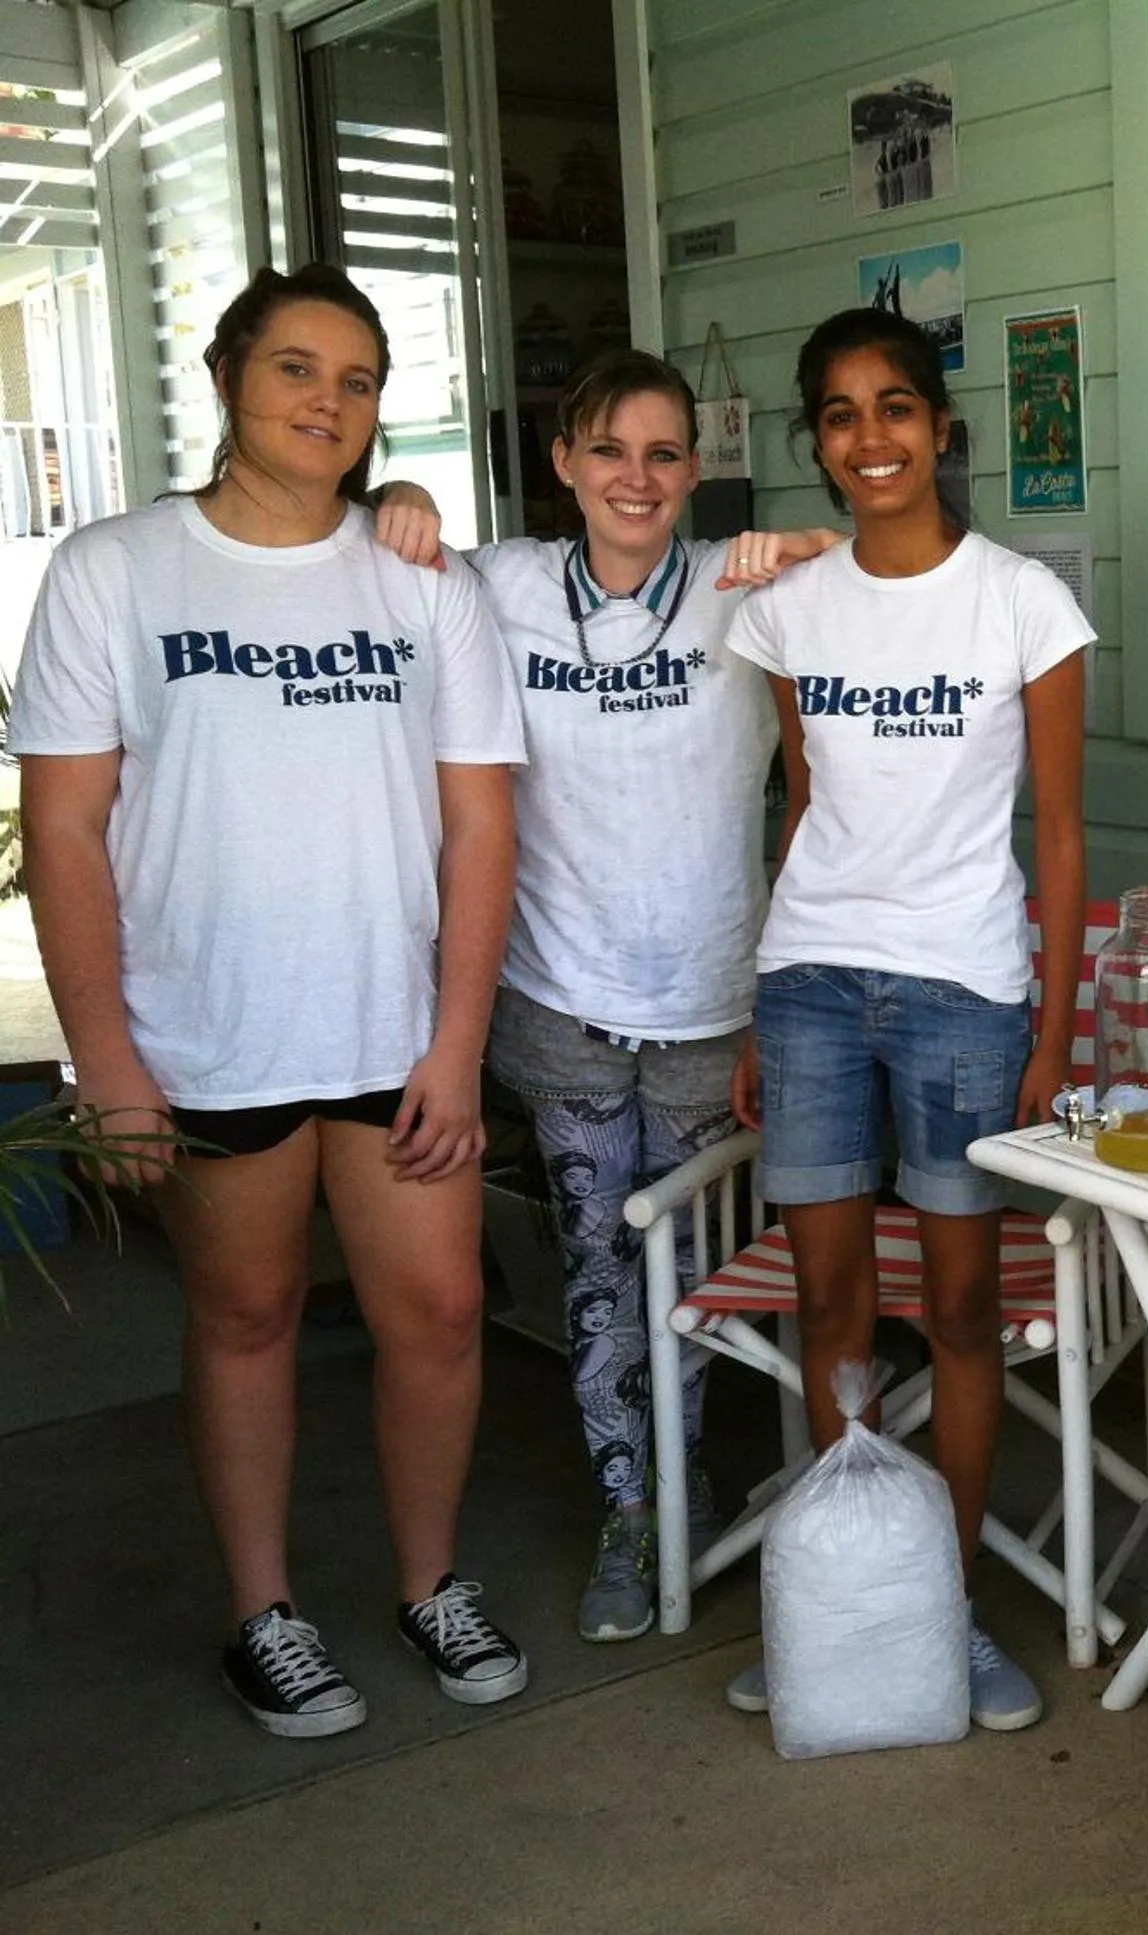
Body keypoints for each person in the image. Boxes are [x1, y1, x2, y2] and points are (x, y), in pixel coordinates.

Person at [15, 264, 529, 1738]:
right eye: (298, 367)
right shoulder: (115, 569)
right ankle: (266, 1611)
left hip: (392, 1029)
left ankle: (432, 1581)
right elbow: (64, 827)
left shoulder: (422, 580)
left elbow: (480, 824)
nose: (329, 401)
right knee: (244, 1316)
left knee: (434, 1313)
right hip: (211, 1029)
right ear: (230, 372)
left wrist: (459, 1039)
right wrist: (105, 1053)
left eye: (359, 380)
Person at [375, 350, 840, 1643]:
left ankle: (683, 1490)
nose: (638, 477)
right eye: (611, 450)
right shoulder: (501, 585)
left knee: (681, 1268)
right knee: (596, 1261)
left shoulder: (748, 589)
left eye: (665, 453)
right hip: (562, 1003)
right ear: (567, 462)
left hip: (710, 1004)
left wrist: (812, 544)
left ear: (695, 468)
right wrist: (398, 492)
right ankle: (633, 1514)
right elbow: (377, 565)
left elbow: (886, 589)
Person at [723, 306, 1089, 1730]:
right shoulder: (788, 612)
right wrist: (762, 996)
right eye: (838, 413)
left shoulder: (1021, 600)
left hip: (964, 992)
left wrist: (1049, 1035)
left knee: (954, 1308)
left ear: (942, 426)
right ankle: (848, 1603)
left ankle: (940, 1610)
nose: (868, 436)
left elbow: (1058, 833)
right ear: (817, 441)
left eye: (894, 407)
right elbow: (803, 805)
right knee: (828, 1304)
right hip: (812, 980)